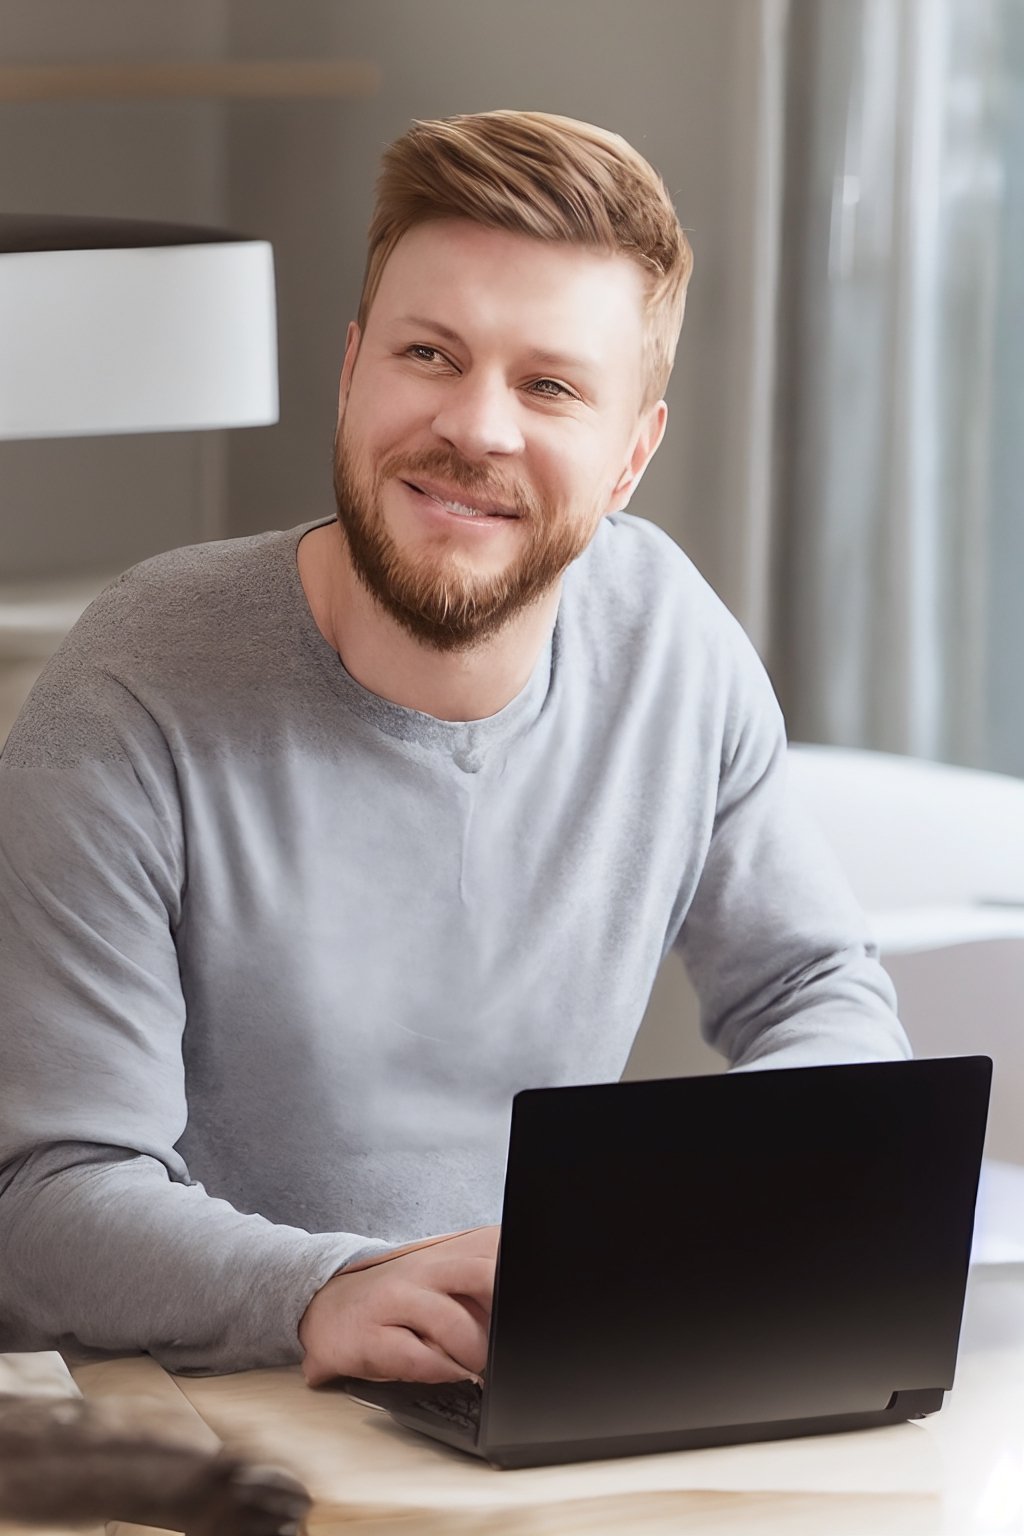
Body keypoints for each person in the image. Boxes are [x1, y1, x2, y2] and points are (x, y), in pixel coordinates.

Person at [0, 110, 909, 1388]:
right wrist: (322, 1289)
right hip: (219, 1417)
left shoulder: (670, 642)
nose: (476, 428)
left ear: (630, 456)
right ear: (353, 370)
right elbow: (45, 1202)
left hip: (535, 1385)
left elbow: (815, 992)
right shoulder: (131, 685)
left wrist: (766, 1221)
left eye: (548, 386)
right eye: (431, 354)